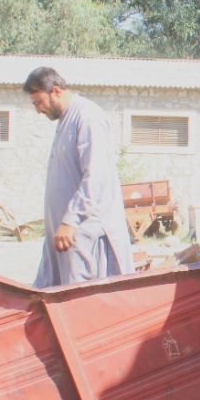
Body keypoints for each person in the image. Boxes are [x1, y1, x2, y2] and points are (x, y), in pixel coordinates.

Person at [24, 67, 135, 288]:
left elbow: (95, 176)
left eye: (38, 102)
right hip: (66, 238)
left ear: (55, 90)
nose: (38, 110)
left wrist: (70, 220)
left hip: (85, 234)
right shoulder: (66, 120)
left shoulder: (87, 116)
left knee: (85, 303)